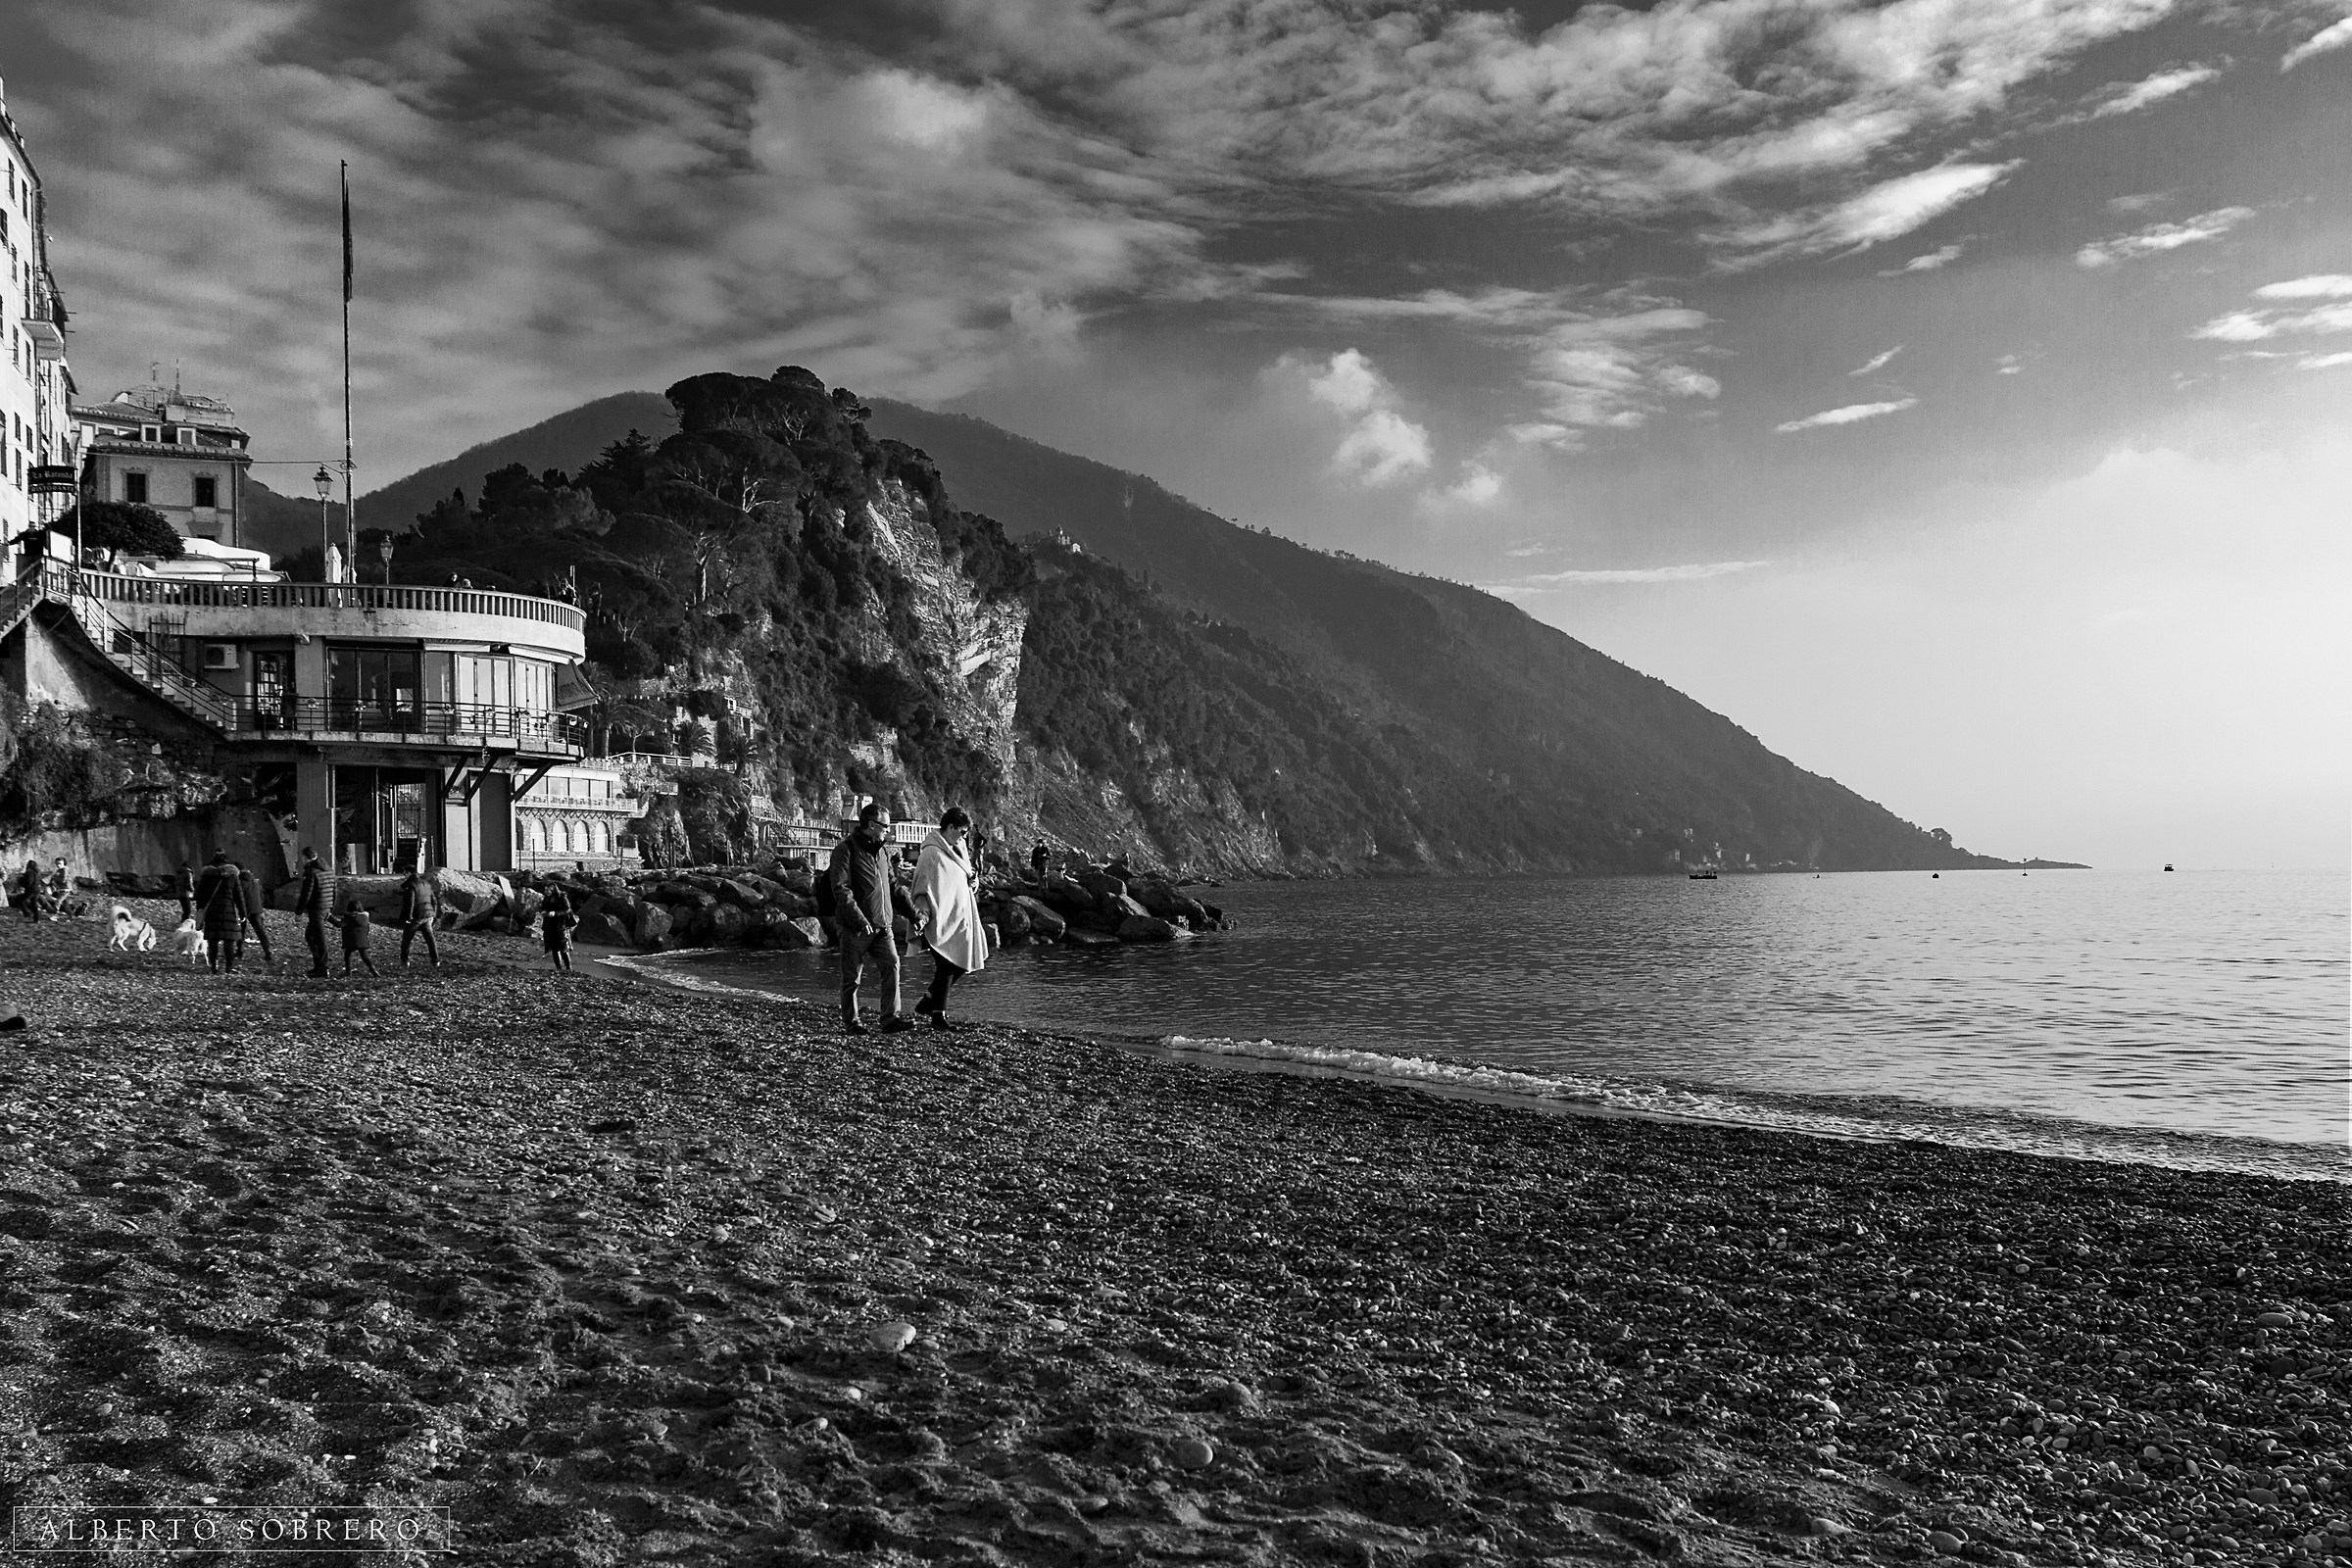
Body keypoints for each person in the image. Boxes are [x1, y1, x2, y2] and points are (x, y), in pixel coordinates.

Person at [826, 803, 913, 1036]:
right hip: (856, 928)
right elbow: (841, 889)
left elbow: (893, 887)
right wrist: (859, 919)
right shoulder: (845, 850)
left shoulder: (883, 852)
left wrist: (914, 914)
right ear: (872, 825)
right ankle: (852, 1023)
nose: (888, 830)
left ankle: (890, 1018)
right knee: (852, 978)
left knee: (892, 965)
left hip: (883, 926)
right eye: (885, 826)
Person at [911, 807, 990, 1030]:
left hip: (961, 916)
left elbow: (965, 875)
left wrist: (973, 882)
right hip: (940, 917)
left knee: (964, 961)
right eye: (962, 832)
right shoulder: (931, 853)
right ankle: (938, 1016)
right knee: (947, 965)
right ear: (950, 827)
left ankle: (928, 1001)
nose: (964, 837)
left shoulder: (960, 848)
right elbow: (922, 886)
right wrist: (922, 916)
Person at [192, 853, 244, 973]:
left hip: (212, 911)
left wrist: (200, 909)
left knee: (213, 940)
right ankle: (228, 967)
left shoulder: (207, 876)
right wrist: (243, 913)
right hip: (228, 910)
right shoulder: (232, 876)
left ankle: (214, 967)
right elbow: (239, 896)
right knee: (229, 940)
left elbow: (200, 895)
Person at [294, 847, 330, 977]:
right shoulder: (328, 870)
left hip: (316, 908)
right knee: (311, 936)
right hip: (325, 907)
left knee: (318, 939)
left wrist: (299, 911)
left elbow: (306, 893)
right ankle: (318, 965)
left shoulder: (311, 872)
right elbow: (334, 889)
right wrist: (331, 908)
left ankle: (323, 968)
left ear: (305, 857)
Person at [398, 866, 442, 967]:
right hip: (428, 915)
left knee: (407, 940)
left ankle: (405, 961)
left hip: (416, 916)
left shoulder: (410, 885)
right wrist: (433, 914)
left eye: (404, 873)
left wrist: (408, 917)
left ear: (409, 873)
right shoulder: (426, 883)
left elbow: (410, 902)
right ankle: (435, 960)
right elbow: (434, 900)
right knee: (430, 939)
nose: (404, 876)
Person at [236, 861, 276, 972]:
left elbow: (239, 897)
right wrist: (261, 907)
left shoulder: (240, 882)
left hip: (244, 909)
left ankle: (240, 951)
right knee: (260, 931)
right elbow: (261, 895)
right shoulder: (255, 881)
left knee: (241, 930)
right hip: (256, 909)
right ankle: (268, 950)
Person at [333, 897, 377, 976]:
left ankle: (348, 971)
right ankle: (374, 971)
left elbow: (339, 924)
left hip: (352, 941)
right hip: (363, 941)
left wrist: (329, 917)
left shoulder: (349, 918)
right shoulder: (365, 917)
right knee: (365, 957)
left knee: (347, 955)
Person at [540, 884, 575, 970]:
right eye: (545, 890)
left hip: (561, 925)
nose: (546, 892)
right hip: (549, 925)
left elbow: (567, 909)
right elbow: (542, 907)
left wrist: (555, 913)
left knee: (563, 948)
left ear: (553, 890)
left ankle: (568, 968)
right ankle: (559, 968)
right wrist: (544, 912)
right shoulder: (546, 898)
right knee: (554, 948)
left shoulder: (561, 897)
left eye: (548, 890)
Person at [174, 861, 197, 925]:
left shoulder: (178, 873)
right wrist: (193, 890)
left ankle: (183, 923)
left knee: (185, 910)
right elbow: (189, 884)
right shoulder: (188, 873)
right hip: (186, 893)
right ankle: (184, 924)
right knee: (188, 911)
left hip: (179, 893)